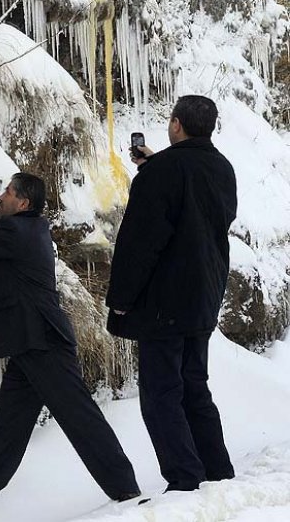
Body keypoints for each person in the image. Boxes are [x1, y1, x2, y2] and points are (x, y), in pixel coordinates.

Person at [0, 173, 140, 501]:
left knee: (80, 417)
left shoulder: (19, 232)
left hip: (43, 343)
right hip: (29, 343)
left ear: (23, 202)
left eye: (7, 192)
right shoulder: (28, 228)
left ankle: (126, 490)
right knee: (10, 421)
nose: (1, 196)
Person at [107, 95, 237, 492]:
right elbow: (197, 209)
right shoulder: (222, 168)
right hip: (205, 294)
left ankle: (184, 479)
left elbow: (141, 241)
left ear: (176, 124)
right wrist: (156, 165)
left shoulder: (161, 172)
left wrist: (122, 298)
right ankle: (217, 471)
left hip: (164, 300)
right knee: (194, 385)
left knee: (161, 393)